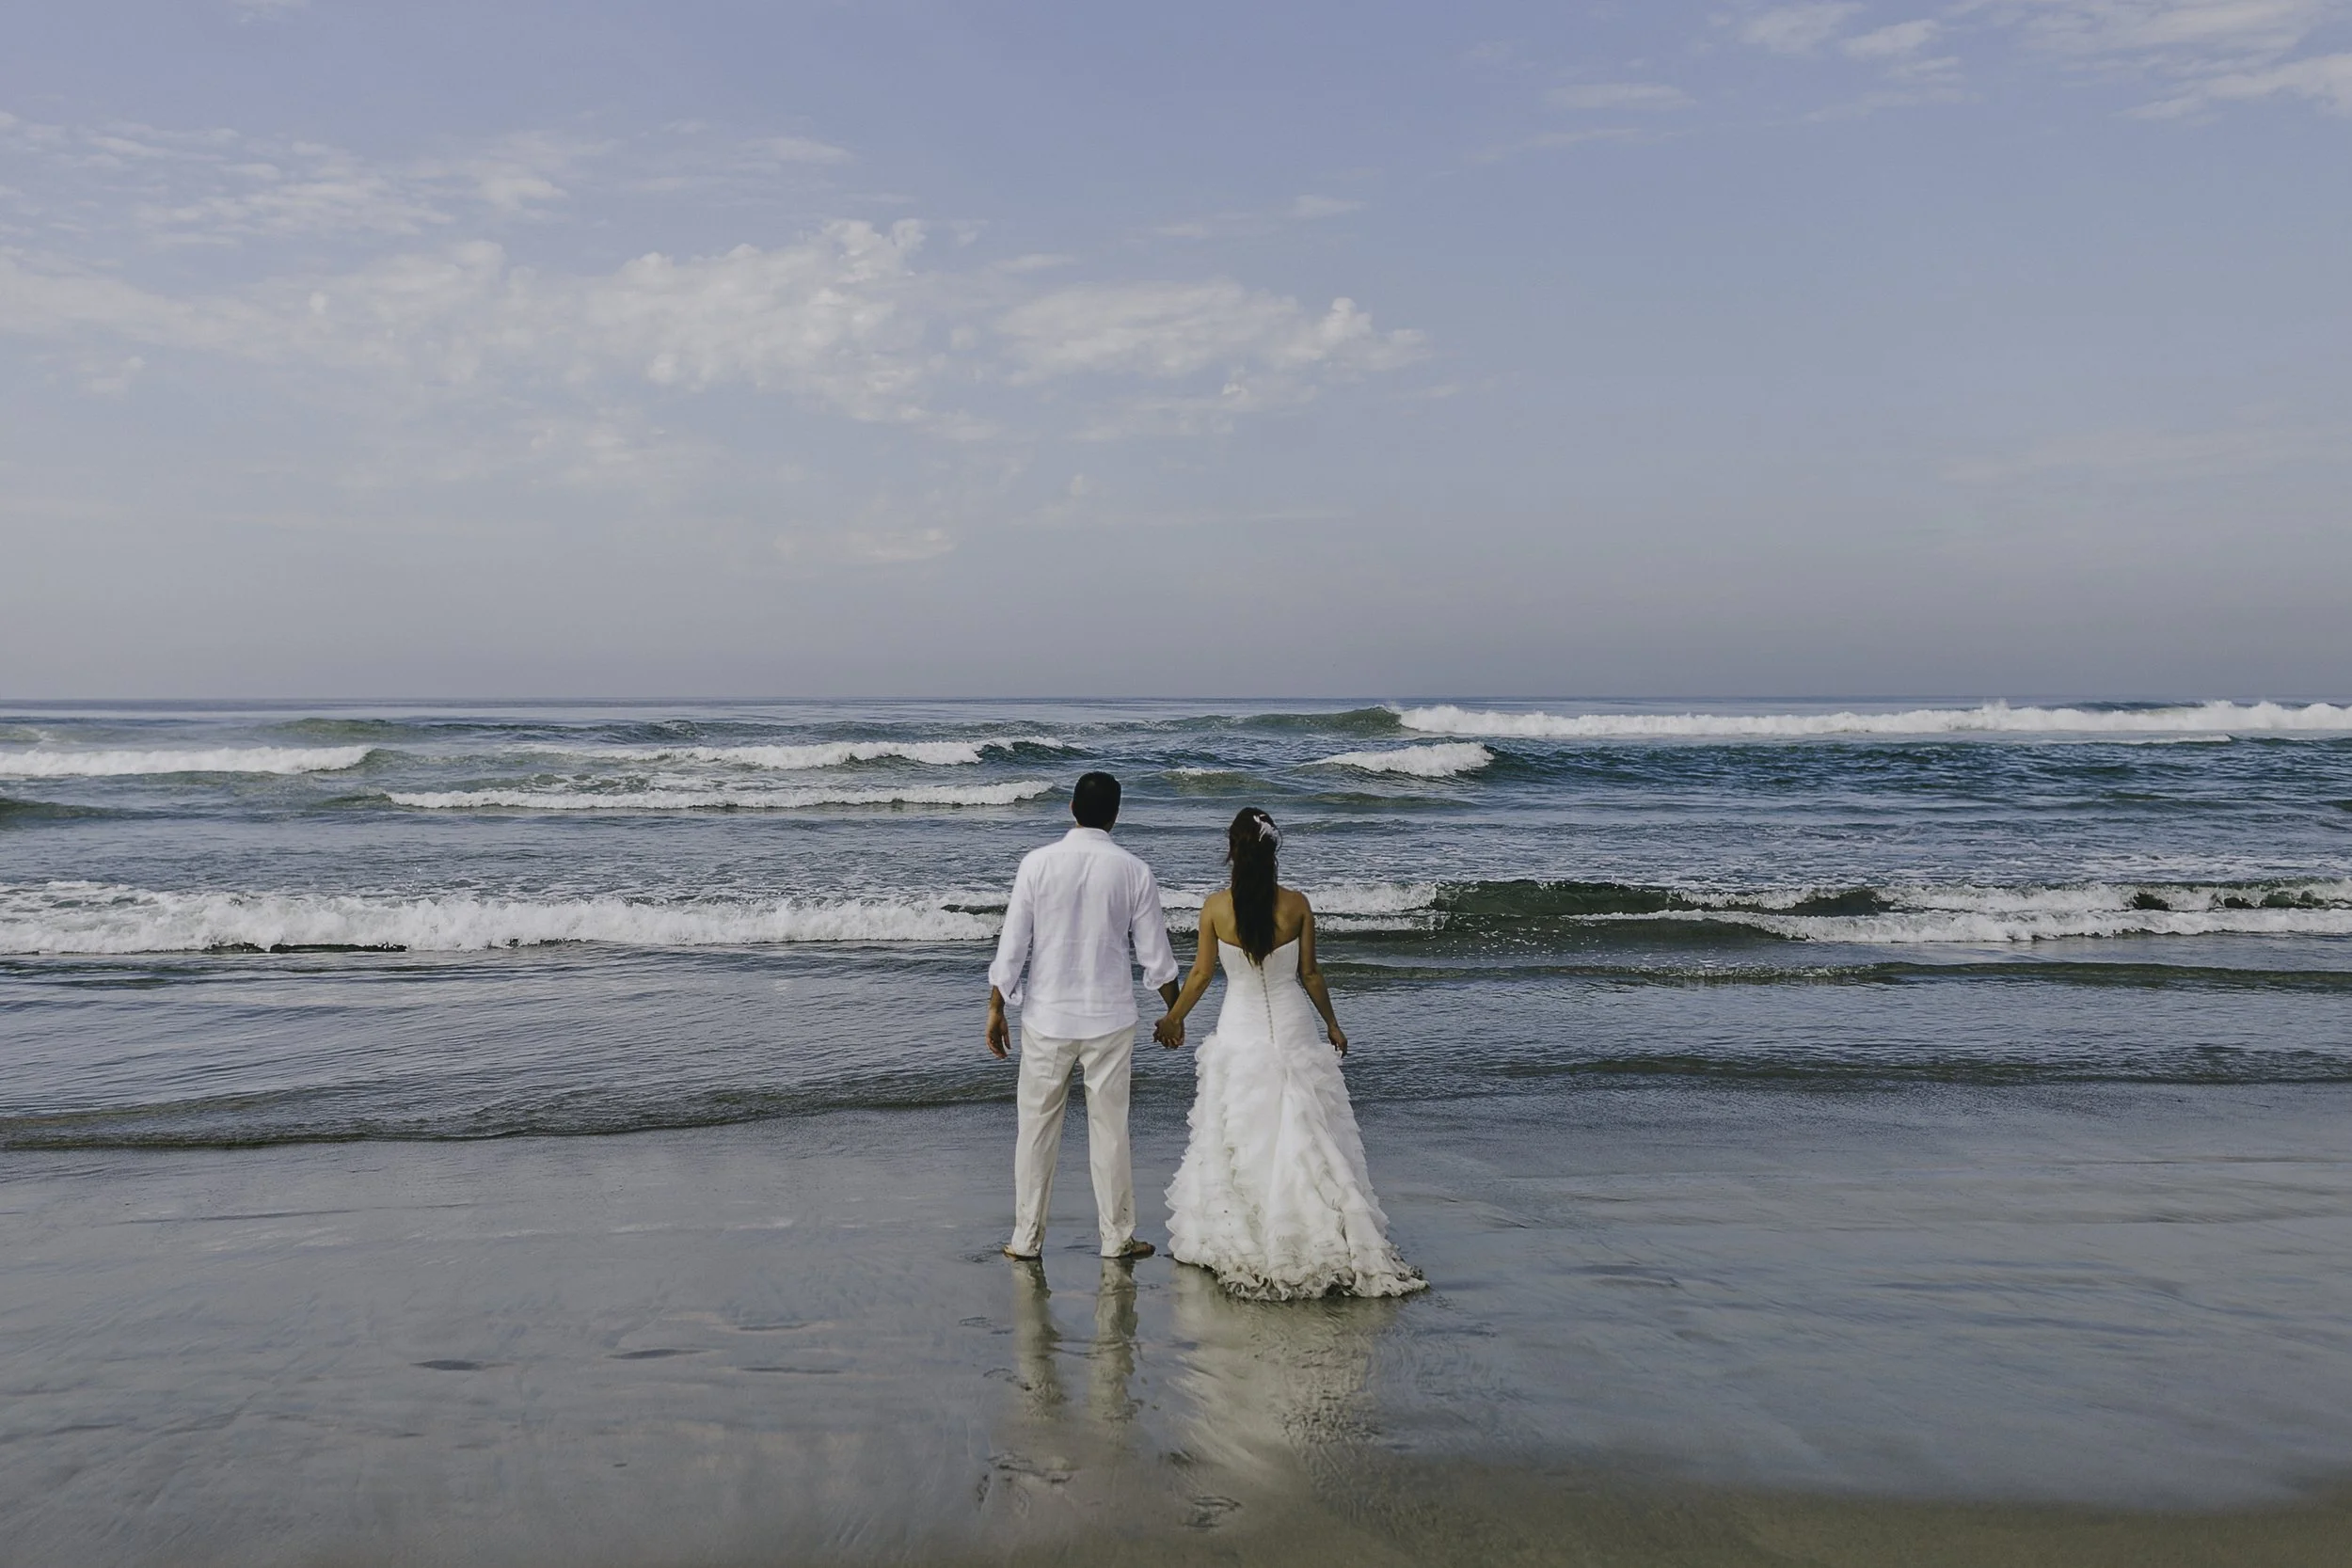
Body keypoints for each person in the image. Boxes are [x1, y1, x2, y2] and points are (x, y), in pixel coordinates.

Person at [1153, 807, 1424, 1299]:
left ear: (1232, 850)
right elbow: (1310, 975)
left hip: (1241, 1028)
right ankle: (1324, 1231)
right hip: (1294, 1025)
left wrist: (1175, 1018)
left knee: (1242, 1129)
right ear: (1273, 849)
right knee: (1307, 1129)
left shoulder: (1215, 908)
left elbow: (1200, 976)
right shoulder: (1298, 905)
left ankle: (1252, 1236)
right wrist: (1332, 1025)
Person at [987, 770, 1180, 1262]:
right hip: (1110, 1018)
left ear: (1071, 807)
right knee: (1110, 1131)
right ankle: (1117, 1238)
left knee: (1035, 1130)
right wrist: (1174, 1013)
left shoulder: (1037, 864)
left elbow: (1013, 945)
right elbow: (1155, 958)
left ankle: (1026, 1240)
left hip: (1046, 1017)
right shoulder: (1134, 870)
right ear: (1116, 815)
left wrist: (995, 1006)